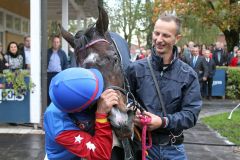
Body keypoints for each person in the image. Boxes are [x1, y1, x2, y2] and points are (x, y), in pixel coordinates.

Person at [126, 13, 202, 159]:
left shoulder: (188, 75)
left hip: (174, 149)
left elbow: (191, 115)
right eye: (156, 33)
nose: (159, 39)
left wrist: (163, 122)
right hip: (142, 148)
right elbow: (125, 98)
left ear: (177, 38)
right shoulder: (134, 69)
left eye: (166, 35)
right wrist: (131, 111)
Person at [44, 67, 120, 160]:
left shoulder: (67, 93)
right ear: (80, 109)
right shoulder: (61, 129)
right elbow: (101, 155)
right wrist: (101, 115)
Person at [47, 35, 68, 105]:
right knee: (49, 91)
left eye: (57, 42)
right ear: (52, 43)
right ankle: (48, 106)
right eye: (54, 42)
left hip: (59, 75)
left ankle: (57, 106)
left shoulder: (62, 53)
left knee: (58, 91)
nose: (56, 43)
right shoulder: (47, 52)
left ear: (59, 43)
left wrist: (63, 75)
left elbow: (66, 64)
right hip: (49, 75)